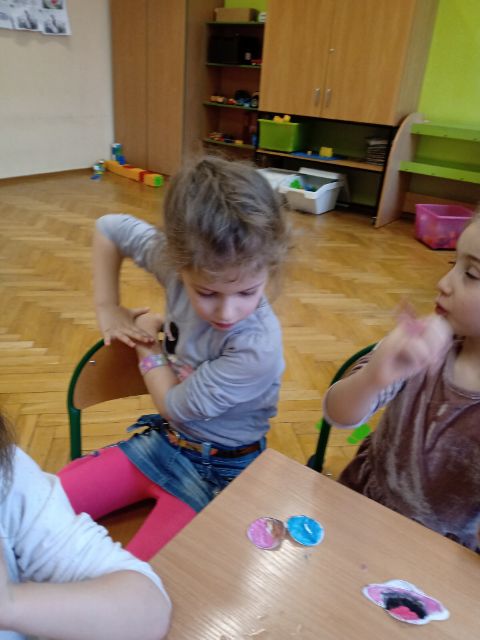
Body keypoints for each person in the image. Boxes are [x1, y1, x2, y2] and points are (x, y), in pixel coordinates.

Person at [59, 155, 290, 560]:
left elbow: (175, 406)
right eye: (207, 292)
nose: (227, 312)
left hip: (224, 471)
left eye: (247, 291)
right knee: (37, 504)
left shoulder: (258, 346)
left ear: (269, 269)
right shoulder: (176, 260)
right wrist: (107, 307)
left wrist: (146, 344)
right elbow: (109, 228)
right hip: (165, 443)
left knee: (137, 578)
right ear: (178, 263)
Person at [324, 213, 480, 553]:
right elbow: (338, 413)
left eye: (471, 274)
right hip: (362, 505)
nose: (443, 282)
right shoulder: (423, 345)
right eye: (453, 263)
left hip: (436, 555)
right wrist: (372, 378)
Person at [0, 413, 171, 640]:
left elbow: (178, 408)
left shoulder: (10, 474)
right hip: (160, 446)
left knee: (164, 562)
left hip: (197, 467)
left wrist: (9, 605)